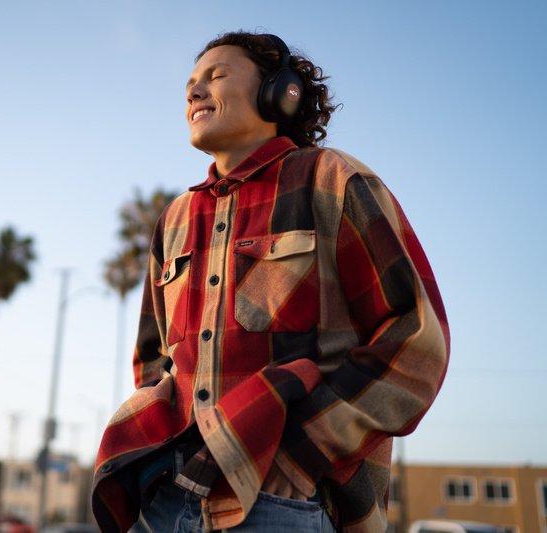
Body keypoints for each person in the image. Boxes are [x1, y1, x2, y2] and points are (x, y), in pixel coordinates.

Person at [92, 31, 449, 533]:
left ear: (280, 93)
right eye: (190, 84)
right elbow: (154, 361)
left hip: (283, 501)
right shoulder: (173, 218)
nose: (194, 92)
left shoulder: (331, 179)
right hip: (167, 500)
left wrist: (305, 453)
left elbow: (416, 340)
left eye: (215, 76)